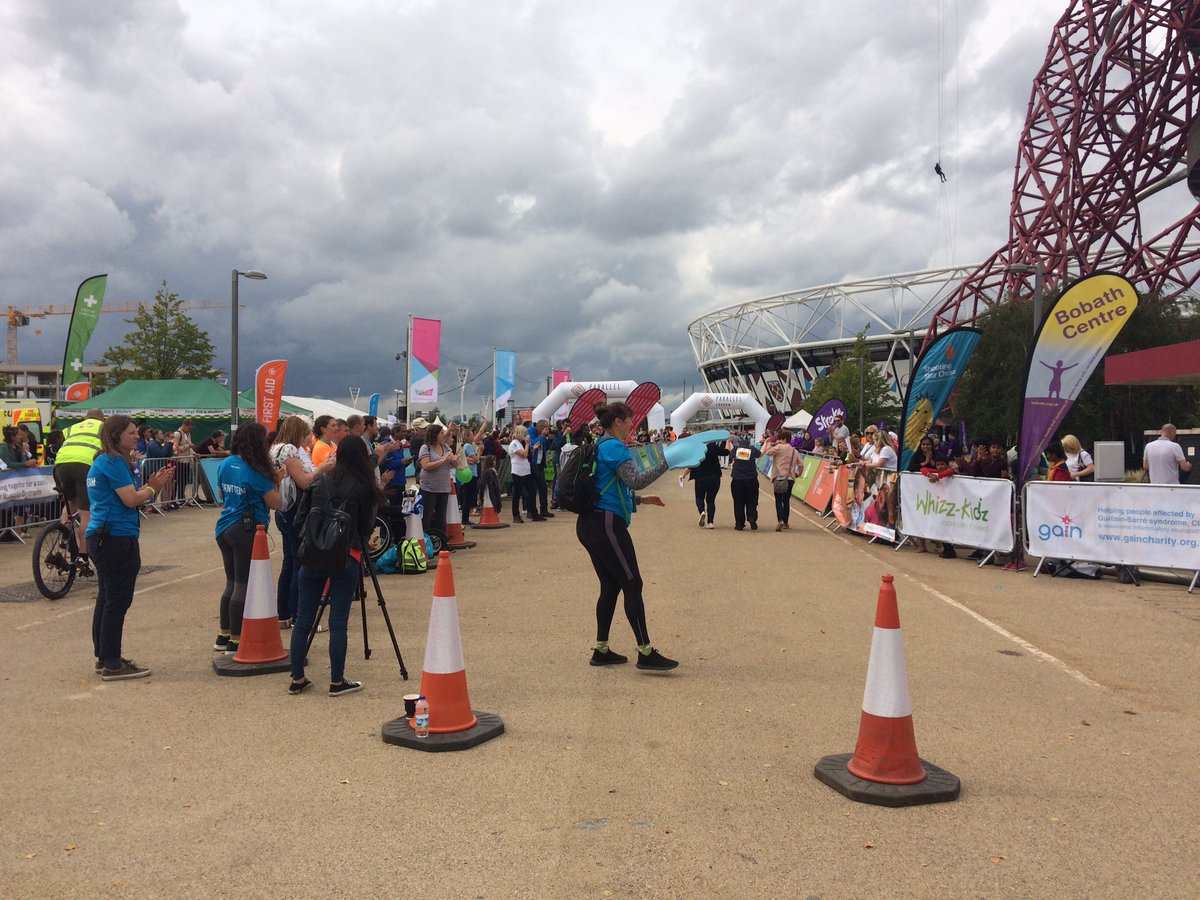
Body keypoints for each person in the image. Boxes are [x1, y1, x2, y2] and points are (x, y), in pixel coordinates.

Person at [575, 401, 677, 671]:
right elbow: (635, 480)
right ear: (618, 421)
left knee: (610, 585)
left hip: (589, 523)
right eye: (630, 420)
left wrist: (642, 501)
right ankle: (645, 653)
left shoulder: (598, 445)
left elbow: (609, 489)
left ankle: (602, 649)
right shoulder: (615, 447)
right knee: (632, 583)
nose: (633, 424)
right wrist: (668, 462)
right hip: (606, 524)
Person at [289, 433, 383, 696]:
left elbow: (300, 518)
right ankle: (336, 680)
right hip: (346, 555)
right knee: (339, 620)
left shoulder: (320, 480)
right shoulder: (364, 487)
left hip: (313, 553)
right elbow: (367, 525)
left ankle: (297, 677)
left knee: (304, 618)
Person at [87, 416, 175, 680]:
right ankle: (112, 662)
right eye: (131, 433)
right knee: (117, 600)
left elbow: (131, 497)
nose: (137, 437)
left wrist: (150, 486)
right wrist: (152, 487)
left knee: (107, 598)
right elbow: (131, 499)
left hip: (105, 534)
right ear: (116, 436)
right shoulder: (113, 461)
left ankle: (105, 656)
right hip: (115, 536)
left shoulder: (104, 461)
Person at [213, 423, 281, 655]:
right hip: (246, 528)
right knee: (243, 585)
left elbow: (222, 493)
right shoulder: (256, 470)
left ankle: (223, 634)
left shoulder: (227, 463)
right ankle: (236, 639)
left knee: (231, 583)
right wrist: (278, 481)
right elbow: (275, 502)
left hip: (224, 525)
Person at [271, 416, 334, 628]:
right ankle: (300, 617)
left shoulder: (275, 448)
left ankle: (284, 613)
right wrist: (322, 469)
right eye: (306, 431)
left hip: (283, 510)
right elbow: (305, 482)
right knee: (300, 565)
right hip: (294, 512)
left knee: (289, 563)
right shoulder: (289, 450)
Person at [52, 409, 105, 569]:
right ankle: (82, 555)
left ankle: (64, 534)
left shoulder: (72, 427)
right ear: (102, 418)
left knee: (70, 501)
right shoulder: (103, 427)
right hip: (85, 464)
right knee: (86, 513)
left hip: (61, 464)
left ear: (85, 418)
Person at [418, 423, 459, 535]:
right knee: (427, 517)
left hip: (444, 487)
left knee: (441, 518)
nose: (443, 435)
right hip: (429, 488)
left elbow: (454, 464)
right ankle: (426, 541)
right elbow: (426, 465)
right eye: (441, 433)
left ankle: (440, 541)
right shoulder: (425, 448)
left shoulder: (446, 447)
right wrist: (441, 460)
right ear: (435, 435)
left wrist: (455, 460)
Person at [765, 428, 801, 531]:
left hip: (779, 477)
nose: (778, 440)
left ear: (783, 439)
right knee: (786, 500)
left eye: (780, 439)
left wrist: (769, 443)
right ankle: (786, 522)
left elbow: (768, 452)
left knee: (778, 499)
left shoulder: (779, 447)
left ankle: (780, 520)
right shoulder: (795, 450)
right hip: (790, 477)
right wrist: (798, 474)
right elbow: (801, 464)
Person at [507, 424, 543, 523]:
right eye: (525, 433)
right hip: (518, 472)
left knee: (532, 492)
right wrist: (527, 444)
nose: (526, 435)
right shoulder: (514, 444)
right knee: (517, 494)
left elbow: (527, 454)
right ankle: (516, 515)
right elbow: (524, 454)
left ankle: (534, 513)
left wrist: (532, 448)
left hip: (526, 471)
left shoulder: (521, 443)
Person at [688, 439, 727, 529]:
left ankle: (702, 512)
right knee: (711, 500)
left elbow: (692, 465)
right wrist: (728, 442)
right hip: (715, 477)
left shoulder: (697, 449)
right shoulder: (713, 447)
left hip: (700, 477)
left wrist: (684, 475)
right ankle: (710, 522)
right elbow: (726, 452)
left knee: (699, 497)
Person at [727, 434, 761, 531]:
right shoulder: (752, 450)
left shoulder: (736, 450)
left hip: (737, 480)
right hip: (751, 480)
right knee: (752, 501)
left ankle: (739, 524)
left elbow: (730, 453)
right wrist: (766, 443)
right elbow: (759, 454)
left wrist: (728, 441)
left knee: (738, 502)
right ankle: (752, 517)